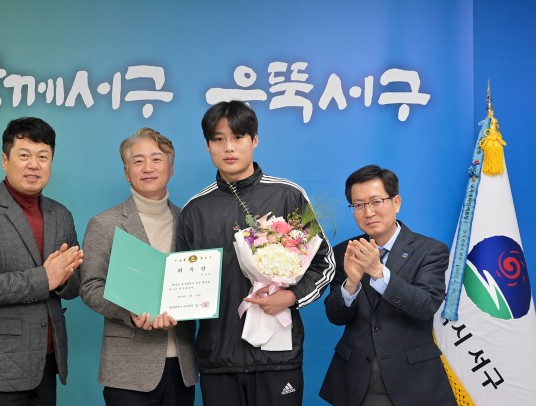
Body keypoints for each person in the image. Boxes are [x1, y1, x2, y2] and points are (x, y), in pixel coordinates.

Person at [176, 100, 335, 406]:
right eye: (218, 139)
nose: (228, 147)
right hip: (218, 359)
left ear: (254, 140)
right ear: (208, 145)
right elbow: (180, 282)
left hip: (278, 357)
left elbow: (324, 263)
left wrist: (292, 297)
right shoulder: (195, 209)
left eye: (238, 137)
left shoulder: (287, 194)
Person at [0, 117, 84, 406]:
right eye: (24, 155)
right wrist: (45, 278)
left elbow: (75, 285)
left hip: (47, 362)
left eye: (43, 157)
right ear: (5, 160)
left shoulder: (61, 215)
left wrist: (64, 279)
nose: (34, 165)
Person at [319, 165, 456, 406]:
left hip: (413, 381)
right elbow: (336, 316)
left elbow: (425, 306)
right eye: (358, 205)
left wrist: (379, 272)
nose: (368, 212)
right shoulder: (345, 251)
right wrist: (352, 283)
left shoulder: (430, 250)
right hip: (355, 381)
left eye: (376, 202)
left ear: (396, 203)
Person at [80, 128, 197, 406]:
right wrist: (129, 313)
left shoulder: (189, 221)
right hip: (128, 370)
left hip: (182, 366)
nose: (147, 168)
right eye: (138, 161)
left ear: (171, 168)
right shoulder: (105, 223)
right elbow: (90, 287)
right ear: (126, 172)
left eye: (156, 159)